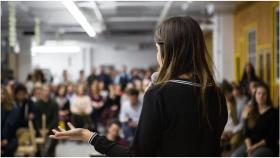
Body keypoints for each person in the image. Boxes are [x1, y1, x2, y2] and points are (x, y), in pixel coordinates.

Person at [50, 16, 228, 156]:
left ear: (168, 52)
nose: (157, 55)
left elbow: (137, 155)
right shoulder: (217, 94)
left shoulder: (159, 94)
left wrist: (89, 136)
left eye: (157, 49)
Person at [231, 82, 279, 157]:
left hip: (267, 146)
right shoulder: (250, 111)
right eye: (258, 93)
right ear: (255, 95)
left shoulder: (274, 113)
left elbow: (272, 137)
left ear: (267, 96)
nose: (261, 96)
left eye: (264, 94)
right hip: (250, 144)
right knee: (234, 156)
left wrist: (253, 148)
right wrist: (249, 147)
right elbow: (246, 133)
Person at [35, 84, 59, 156]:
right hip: (39, 128)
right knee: (34, 132)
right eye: (45, 90)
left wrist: (47, 129)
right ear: (41, 91)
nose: (46, 92)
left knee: (57, 133)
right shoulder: (36, 104)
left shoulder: (54, 104)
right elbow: (36, 119)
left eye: (48, 91)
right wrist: (39, 129)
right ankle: (38, 153)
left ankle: (50, 153)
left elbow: (55, 119)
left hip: (50, 127)